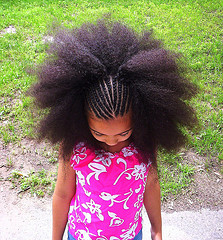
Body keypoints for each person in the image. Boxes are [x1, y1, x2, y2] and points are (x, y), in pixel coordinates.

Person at [29, 18, 198, 240]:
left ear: (140, 117)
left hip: (131, 235)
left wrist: (157, 230)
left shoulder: (144, 142)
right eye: (98, 133)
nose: (111, 141)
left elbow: (151, 186)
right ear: (81, 119)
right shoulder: (74, 147)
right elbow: (62, 195)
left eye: (123, 133)